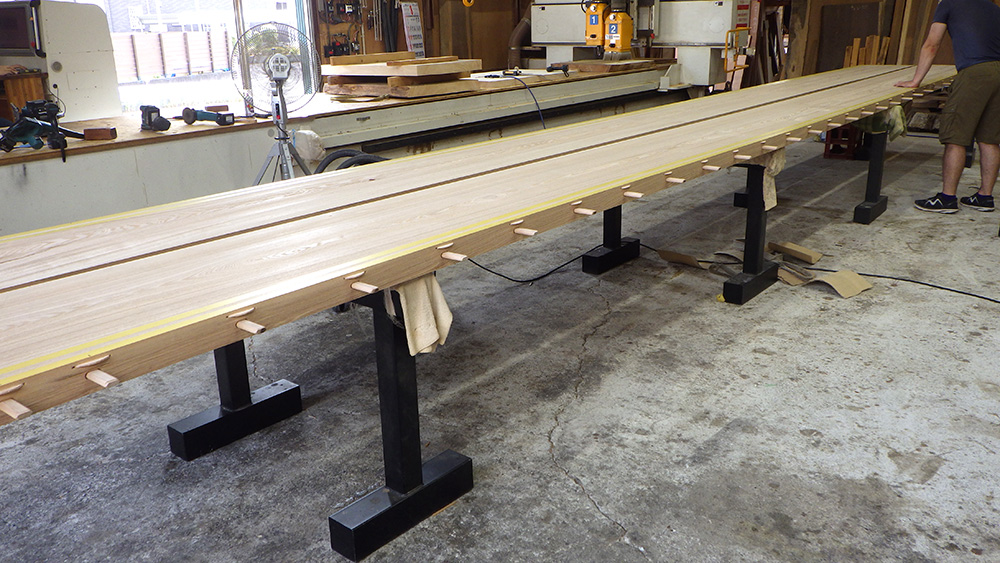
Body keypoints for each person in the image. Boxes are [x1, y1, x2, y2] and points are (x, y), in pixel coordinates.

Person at [894, 0, 1000, 213]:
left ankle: (947, 198)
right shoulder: (992, 7)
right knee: (989, 139)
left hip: (974, 73)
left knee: (955, 137)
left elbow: (932, 45)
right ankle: (984, 197)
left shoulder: (948, 3)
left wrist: (916, 80)